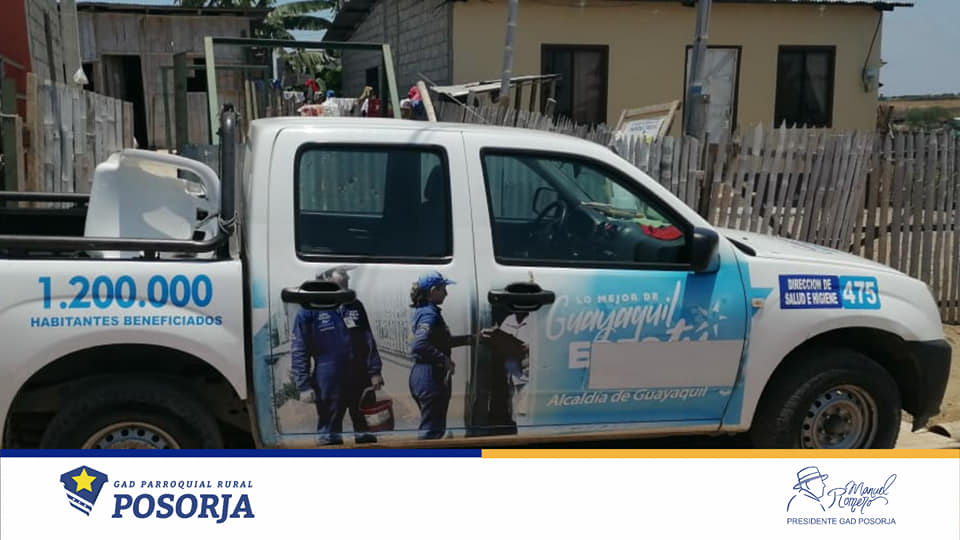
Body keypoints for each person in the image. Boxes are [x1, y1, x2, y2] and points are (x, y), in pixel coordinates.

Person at [291, 267, 384, 445]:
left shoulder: (355, 305)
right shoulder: (309, 309)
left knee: (365, 429)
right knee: (330, 432)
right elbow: (299, 349)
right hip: (328, 379)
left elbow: (367, 340)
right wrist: (304, 386)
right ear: (326, 276)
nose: (347, 276)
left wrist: (375, 371)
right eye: (342, 272)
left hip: (359, 376)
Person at [408, 271, 472, 439]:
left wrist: (470, 339)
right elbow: (419, 344)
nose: (446, 293)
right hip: (430, 376)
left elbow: (441, 342)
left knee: (433, 429)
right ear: (433, 290)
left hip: (424, 374)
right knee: (431, 433)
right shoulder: (429, 314)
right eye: (443, 289)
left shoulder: (424, 311)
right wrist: (444, 360)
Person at [480, 311, 532, 422]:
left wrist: (529, 347)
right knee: (514, 413)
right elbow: (501, 340)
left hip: (527, 376)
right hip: (512, 375)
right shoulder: (509, 319)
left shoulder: (534, 320)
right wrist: (492, 335)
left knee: (523, 412)